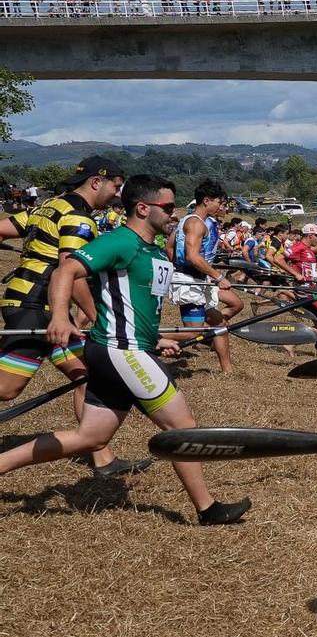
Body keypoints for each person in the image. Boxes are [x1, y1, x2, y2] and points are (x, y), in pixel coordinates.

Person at [0, 176, 249, 524]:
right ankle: (208, 509)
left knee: (90, 437)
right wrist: (59, 315)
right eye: (167, 207)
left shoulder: (150, 249)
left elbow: (137, 304)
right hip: (122, 350)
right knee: (182, 428)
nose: (173, 213)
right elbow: (65, 270)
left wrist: (155, 339)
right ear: (143, 208)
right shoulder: (120, 242)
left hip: (128, 347)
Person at [0, 157, 147, 476]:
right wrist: (97, 315)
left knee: (86, 373)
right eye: (116, 187)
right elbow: (72, 272)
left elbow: (2, 228)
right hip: (36, 309)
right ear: (97, 182)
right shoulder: (79, 218)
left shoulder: (50, 206)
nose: (117, 195)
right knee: (6, 389)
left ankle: (102, 458)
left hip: (36, 304)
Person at [168, 179, 246, 371]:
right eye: (219, 202)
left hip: (197, 279)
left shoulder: (189, 221)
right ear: (206, 200)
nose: (221, 206)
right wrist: (218, 277)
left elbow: (169, 247)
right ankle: (148, 338)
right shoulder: (196, 223)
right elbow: (192, 256)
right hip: (190, 281)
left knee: (219, 324)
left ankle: (228, 370)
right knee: (193, 334)